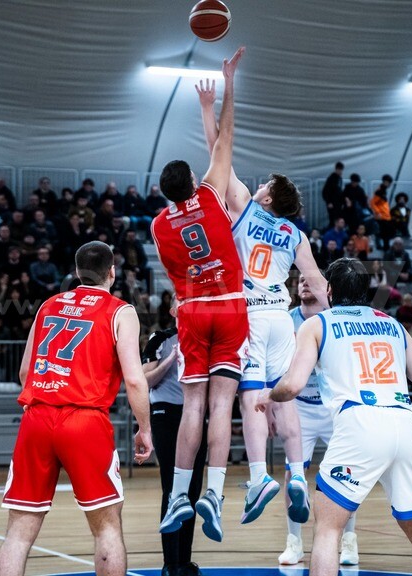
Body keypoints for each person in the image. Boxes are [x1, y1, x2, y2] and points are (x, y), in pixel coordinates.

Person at [256, 258, 412, 576]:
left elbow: (292, 385)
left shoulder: (317, 324)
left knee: (327, 530)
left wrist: (268, 394)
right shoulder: (393, 325)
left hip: (359, 422)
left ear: (329, 290)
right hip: (403, 424)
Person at [197, 76, 329, 527]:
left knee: (252, 399)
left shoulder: (246, 209)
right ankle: (297, 475)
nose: (256, 186)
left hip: (249, 315)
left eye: (264, 184)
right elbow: (317, 284)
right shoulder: (296, 235)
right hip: (281, 318)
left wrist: (208, 108)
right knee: (285, 399)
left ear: (267, 196)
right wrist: (335, 324)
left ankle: (258, 478)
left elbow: (219, 155)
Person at [0, 241, 154, 576]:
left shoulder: (48, 305)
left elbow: (25, 372)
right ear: (112, 272)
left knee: (18, 533)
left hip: (38, 414)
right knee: (107, 527)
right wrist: (145, 428)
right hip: (84, 419)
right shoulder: (121, 311)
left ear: (78, 272)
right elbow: (135, 380)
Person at [152, 46, 247, 543]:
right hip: (230, 306)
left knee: (193, 405)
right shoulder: (210, 194)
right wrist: (227, 85)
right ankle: (214, 493)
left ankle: (177, 497)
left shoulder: (157, 225)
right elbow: (224, 139)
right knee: (222, 405)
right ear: (193, 180)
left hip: (191, 311)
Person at [277, 275, 360, 567]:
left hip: (333, 406)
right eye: (300, 280)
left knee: (347, 474)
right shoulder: (286, 321)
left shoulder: (335, 320)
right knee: (293, 475)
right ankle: (294, 543)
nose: (304, 283)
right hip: (299, 407)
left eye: (310, 279)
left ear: (327, 289)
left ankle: (349, 541)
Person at [143, 300, 207, 576]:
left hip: (197, 415)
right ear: (173, 311)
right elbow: (145, 380)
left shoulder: (205, 339)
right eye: (182, 302)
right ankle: (170, 563)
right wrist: (171, 359)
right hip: (166, 413)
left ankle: (185, 561)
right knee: (172, 486)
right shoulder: (160, 339)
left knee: (193, 489)